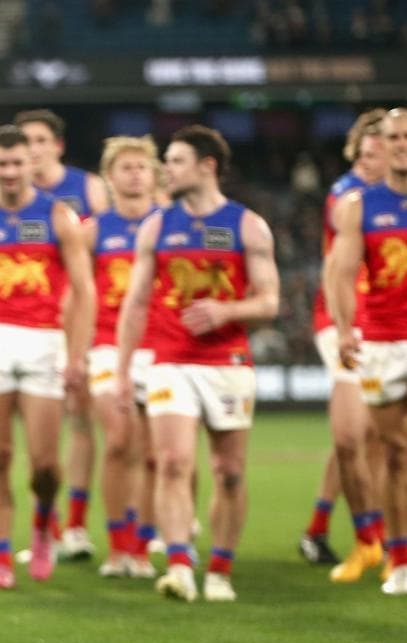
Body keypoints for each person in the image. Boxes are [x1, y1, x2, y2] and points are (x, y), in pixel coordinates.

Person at [116, 125, 280, 603]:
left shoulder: (247, 225)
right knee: (171, 462)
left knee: (229, 470)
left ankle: (220, 571)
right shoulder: (157, 226)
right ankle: (181, 566)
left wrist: (228, 311)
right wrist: (125, 370)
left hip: (227, 362)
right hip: (169, 361)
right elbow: (137, 303)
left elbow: (270, 301)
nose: (166, 169)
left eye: (176, 160)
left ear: (207, 166)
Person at [0, 124, 94, 590]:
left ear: (33, 164)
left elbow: (85, 292)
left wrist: (77, 354)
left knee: (45, 464)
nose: (10, 172)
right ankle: (2, 558)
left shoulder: (60, 217)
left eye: (17, 163)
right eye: (1, 164)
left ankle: (45, 522)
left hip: (44, 341)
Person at [328, 108, 407, 595]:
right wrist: (346, 329)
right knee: (394, 453)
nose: (403, 144)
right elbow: (342, 273)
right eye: (394, 137)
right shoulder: (359, 206)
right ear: (382, 146)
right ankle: (400, 558)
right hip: (382, 341)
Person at [298, 109, 389, 579]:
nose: (375, 160)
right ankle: (367, 536)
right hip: (345, 322)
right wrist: (342, 322)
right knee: (355, 433)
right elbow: (339, 272)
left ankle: (325, 529)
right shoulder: (348, 197)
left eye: (384, 150)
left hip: (392, 324)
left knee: (368, 434)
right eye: (368, 152)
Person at [15, 108, 110, 560]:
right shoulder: (9, 198)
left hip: (84, 317)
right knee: (40, 431)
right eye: (24, 142)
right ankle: (46, 529)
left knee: (82, 415)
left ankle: (74, 525)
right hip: (33, 322)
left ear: (58, 146)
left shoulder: (88, 188)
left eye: (38, 140)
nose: (31, 150)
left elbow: (115, 245)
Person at [83, 135, 160, 580]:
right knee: (117, 441)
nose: (134, 175)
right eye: (125, 168)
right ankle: (116, 545)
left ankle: (141, 546)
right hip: (108, 345)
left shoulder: (169, 224)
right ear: (109, 178)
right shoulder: (93, 229)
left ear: (154, 175)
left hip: (159, 346)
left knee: (152, 454)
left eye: (141, 167)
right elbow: (76, 292)